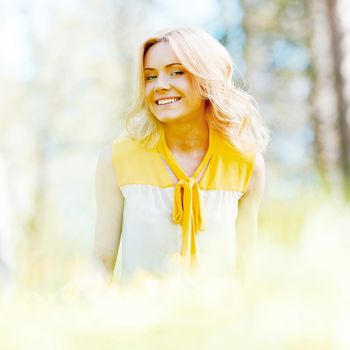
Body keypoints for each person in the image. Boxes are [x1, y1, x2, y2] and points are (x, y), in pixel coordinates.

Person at [92, 27, 268, 284]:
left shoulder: (247, 164)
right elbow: (100, 263)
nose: (160, 86)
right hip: (140, 321)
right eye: (150, 77)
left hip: (220, 321)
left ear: (208, 78)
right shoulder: (116, 159)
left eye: (176, 72)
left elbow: (248, 269)